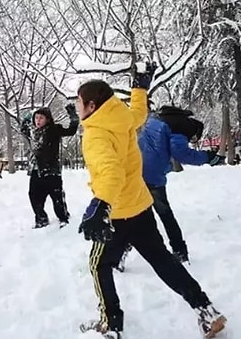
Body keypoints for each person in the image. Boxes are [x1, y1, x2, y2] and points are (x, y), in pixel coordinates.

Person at [76, 62, 226, 339]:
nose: (77, 107)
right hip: (141, 206)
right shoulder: (121, 118)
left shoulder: (96, 133)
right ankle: (206, 310)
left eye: (79, 102)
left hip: (117, 211)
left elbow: (110, 172)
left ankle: (110, 324)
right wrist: (139, 88)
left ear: (92, 105)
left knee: (99, 266)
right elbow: (138, 113)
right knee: (162, 260)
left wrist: (100, 206)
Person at [136, 106, 225, 263]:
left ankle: (120, 252)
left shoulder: (157, 117)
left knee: (134, 214)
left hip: (136, 168)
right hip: (153, 174)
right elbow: (181, 153)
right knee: (165, 214)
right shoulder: (183, 127)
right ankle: (180, 250)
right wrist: (207, 157)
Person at [20, 105, 79, 228]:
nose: (38, 121)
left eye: (41, 118)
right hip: (37, 171)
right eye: (36, 118)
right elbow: (23, 129)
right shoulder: (33, 132)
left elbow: (71, 130)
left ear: (47, 119)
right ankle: (41, 219)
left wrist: (72, 115)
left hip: (52, 170)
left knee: (56, 197)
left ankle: (63, 217)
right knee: (34, 196)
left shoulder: (54, 129)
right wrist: (26, 118)